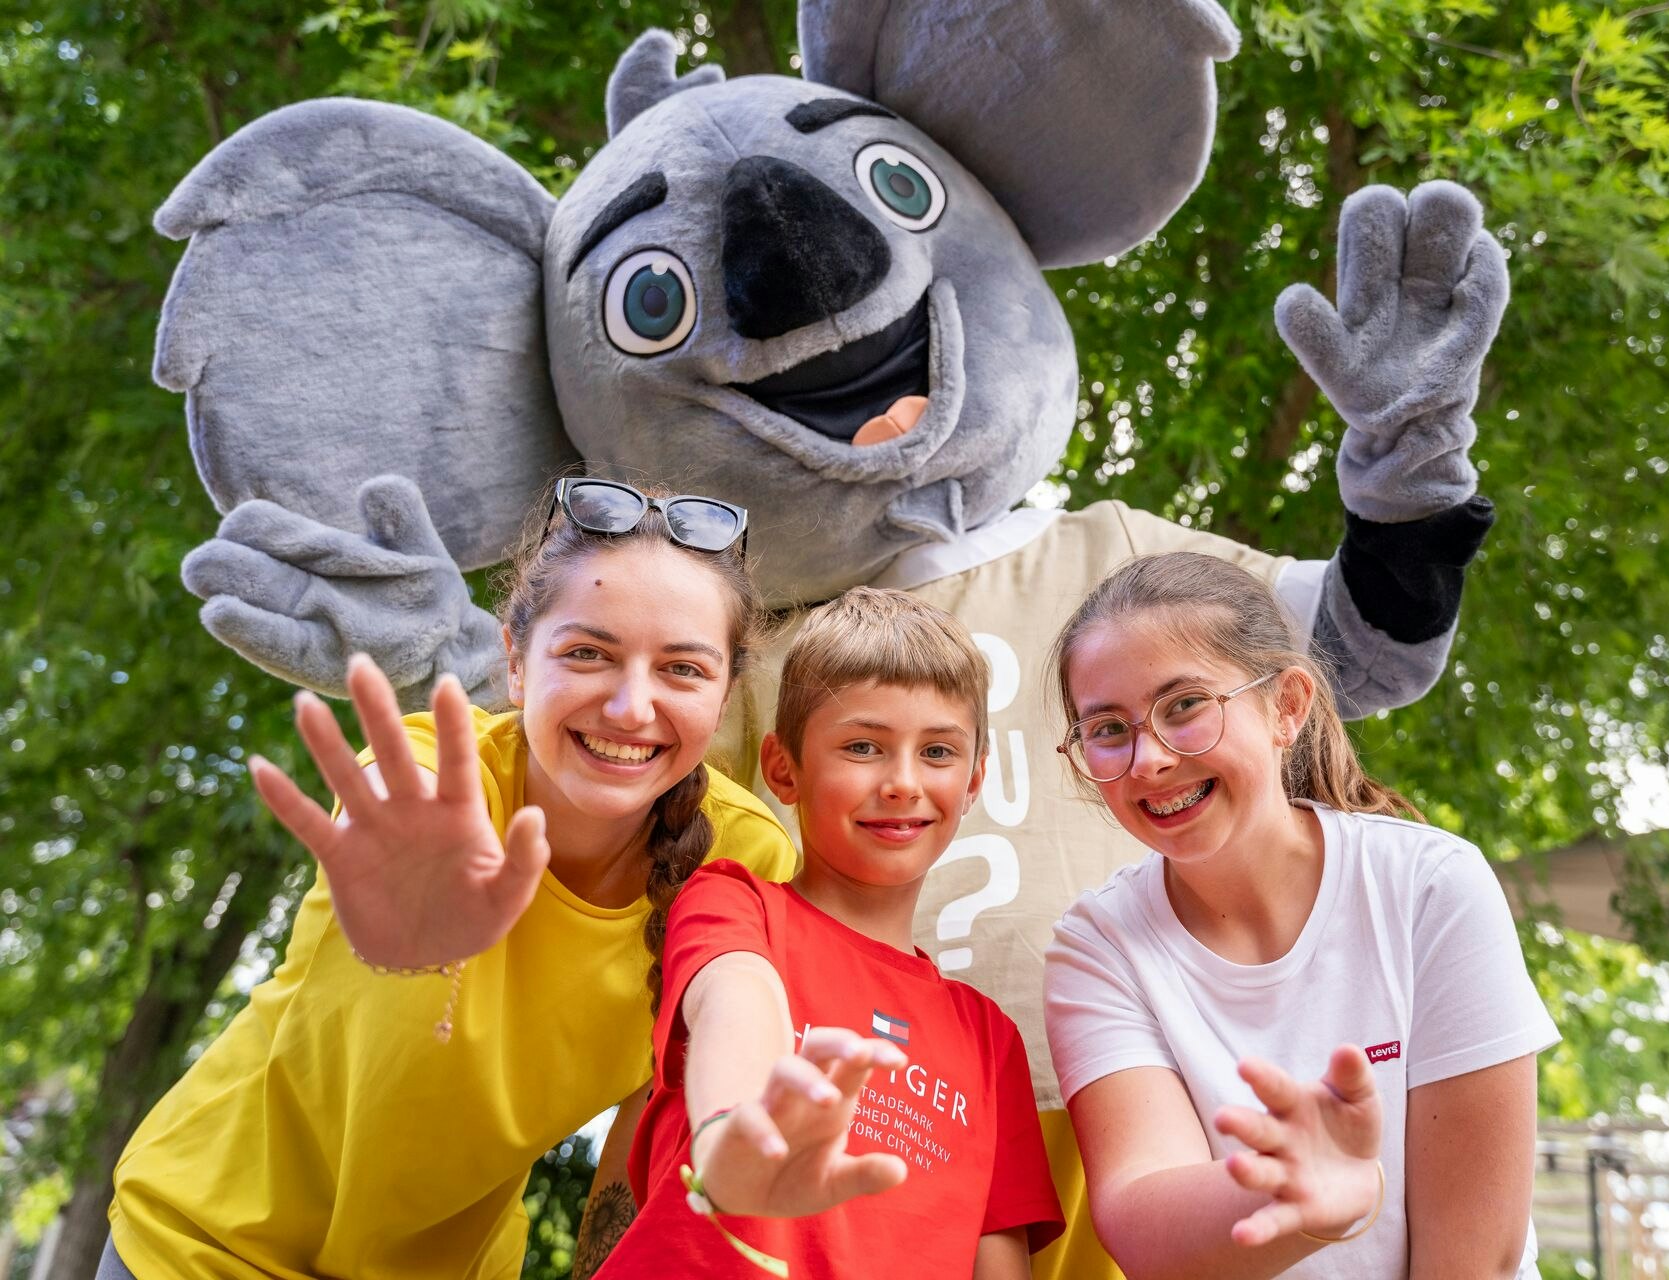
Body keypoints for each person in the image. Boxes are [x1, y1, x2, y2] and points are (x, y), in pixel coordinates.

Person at [101, 480, 798, 1280]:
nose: (631, 707)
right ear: (515, 662)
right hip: (206, 1244)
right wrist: (410, 896)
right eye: (588, 654)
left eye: (681, 669)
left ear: (726, 692)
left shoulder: (744, 857)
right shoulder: (436, 765)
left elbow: (657, 1118)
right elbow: (393, 805)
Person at [1043, 552, 1559, 1278]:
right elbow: (1141, 1224)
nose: (1148, 759)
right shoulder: (1098, 944)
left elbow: (1477, 1259)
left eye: (1184, 706)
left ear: (1286, 706)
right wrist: (1301, 1195)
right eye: (1107, 729)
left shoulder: (1432, 887)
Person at [594, 587, 1063, 1280]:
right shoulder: (735, 903)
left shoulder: (990, 1041)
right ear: (784, 768)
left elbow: (998, 1258)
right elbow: (735, 996)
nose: (903, 782)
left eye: (938, 751)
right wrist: (732, 1128)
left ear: (973, 782)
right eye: (863, 746)